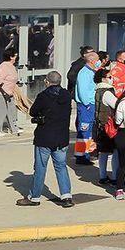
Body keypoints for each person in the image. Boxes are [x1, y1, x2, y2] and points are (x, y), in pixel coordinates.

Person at [16, 71, 73, 207]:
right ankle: (66, 196)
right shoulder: (66, 95)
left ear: (47, 81)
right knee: (61, 166)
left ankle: (35, 197)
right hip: (62, 137)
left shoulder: (43, 96)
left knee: (40, 168)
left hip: (45, 137)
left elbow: (33, 111)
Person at [73, 48, 100, 164]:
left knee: (87, 132)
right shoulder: (84, 73)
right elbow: (82, 90)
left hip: (90, 105)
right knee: (85, 131)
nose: (99, 62)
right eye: (97, 60)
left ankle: (85, 153)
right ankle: (82, 156)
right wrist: (86, 103)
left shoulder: (91, 71)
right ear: (92, 61)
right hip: (86, 106)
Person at [0, 48, 22, 135]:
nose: (17, 56)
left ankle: (14, 129)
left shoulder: (12, 66)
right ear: (11, 56)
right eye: (15, 55)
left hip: (10, 93)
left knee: (11, 111)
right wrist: (3, 92)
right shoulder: (4, 66)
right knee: (1, 112)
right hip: (2, 93)